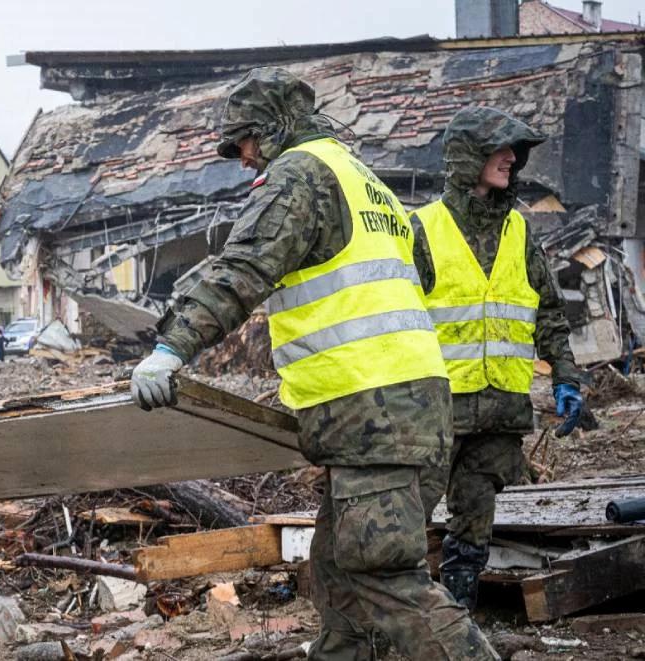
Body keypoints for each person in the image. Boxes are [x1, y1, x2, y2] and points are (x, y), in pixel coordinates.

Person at [130, 67, 497, 659]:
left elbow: (244, 267)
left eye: (246, 138)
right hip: (410, 408)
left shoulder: (299, 174)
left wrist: (171, 349)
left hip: (371, 411)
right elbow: (420, 273)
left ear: (277, 125)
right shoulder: (365, 179)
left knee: (382, 577)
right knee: (337, 572)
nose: (243, 155)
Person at [410, 107, 585, 610]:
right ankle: (401, 627)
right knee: (407, 524)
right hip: (434, 412)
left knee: (473, 529)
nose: (511, 158)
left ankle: (460, 617)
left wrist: (565, 377)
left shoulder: (520, 232)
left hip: (498, 413)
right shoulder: (420, 229)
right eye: (500, 148)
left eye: (515, 150)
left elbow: (548, 311)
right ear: (468, 157)